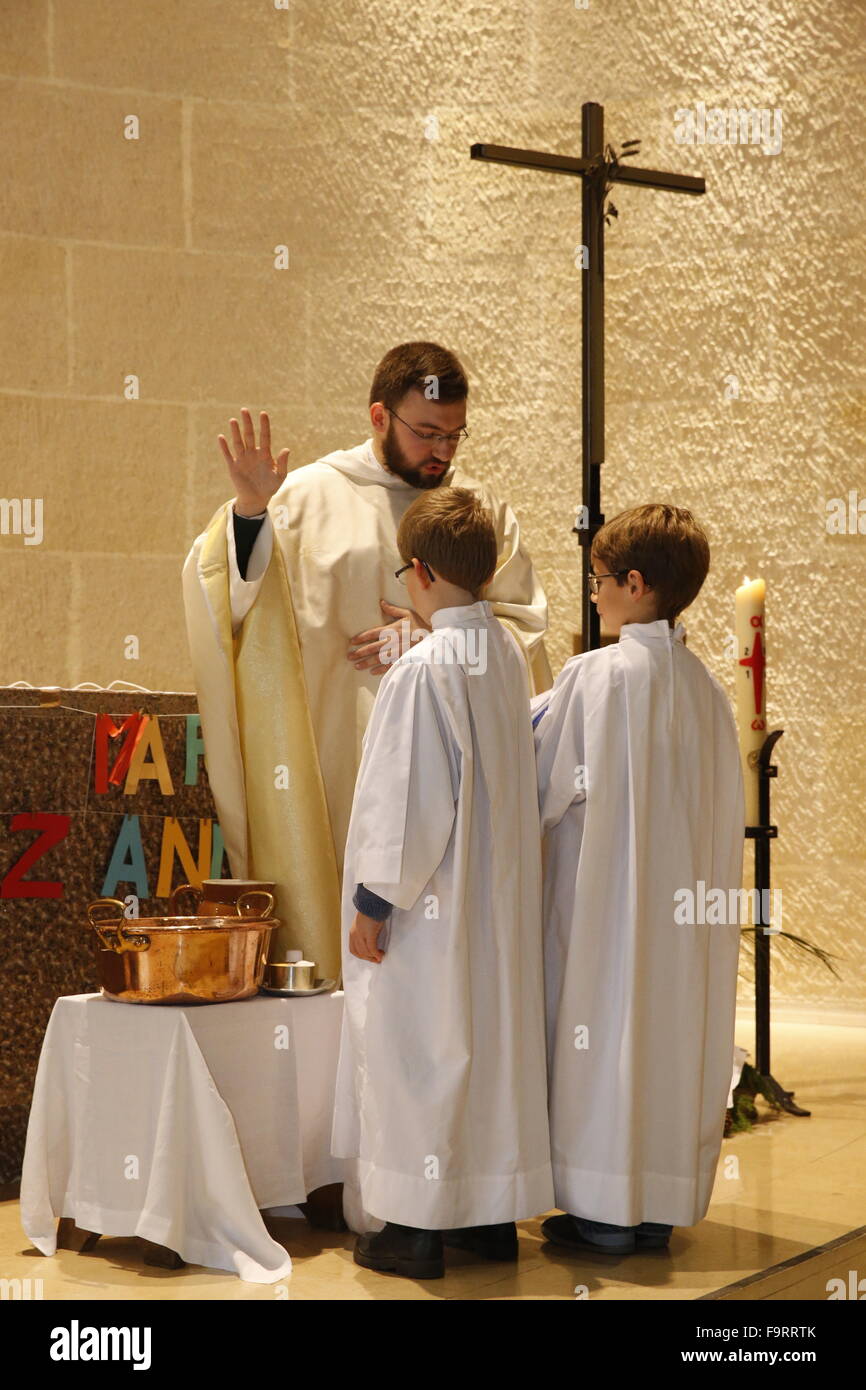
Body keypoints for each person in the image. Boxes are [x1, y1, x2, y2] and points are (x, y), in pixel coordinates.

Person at [182, 342, 551, 977]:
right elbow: (224, 599)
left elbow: (523, 635)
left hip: (448, 768)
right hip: (333, 755)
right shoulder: (304, 497)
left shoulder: (478, 517)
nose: (443, 452)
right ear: (379, 417)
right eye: (427, 433)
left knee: (440, 977)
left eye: (455, 436)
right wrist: (249, 513)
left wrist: (442, 633)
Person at [331, 487, 553, 1279]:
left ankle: (414, 1230)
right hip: (492, 899)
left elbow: (409, 798)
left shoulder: (423, 670)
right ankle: (487, 1217)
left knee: (419, 1050)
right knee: (485, 1048)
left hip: (431, 904)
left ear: (417, 572)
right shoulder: (502, 657)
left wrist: (374, 902)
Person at [532, 504, 744, 1254]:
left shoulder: (595, 677)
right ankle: (653, 1202)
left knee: (604, 1034)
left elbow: (542, 784)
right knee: (666, 1037)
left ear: (633, 582)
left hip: (606, 909)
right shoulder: (708, 692)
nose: (592, 594)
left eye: (597, 579)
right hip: (682, 920)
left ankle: (601, 1204)